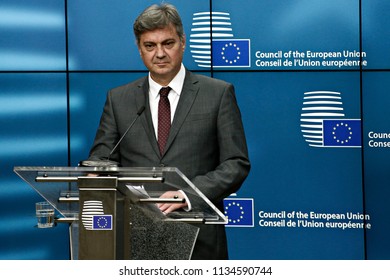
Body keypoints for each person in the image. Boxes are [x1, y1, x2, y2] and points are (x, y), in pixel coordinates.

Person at [86, 3, 250, 259]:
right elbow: (102, 159)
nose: (159, 54)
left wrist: (188, 194)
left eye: (168, 43)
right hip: (136, 238)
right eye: (150, 46)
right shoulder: (119, 99)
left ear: (183, 42)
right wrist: (96, 174)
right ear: (139, 50)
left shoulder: (217, 94)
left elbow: (235, 163)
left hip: (199, 238)